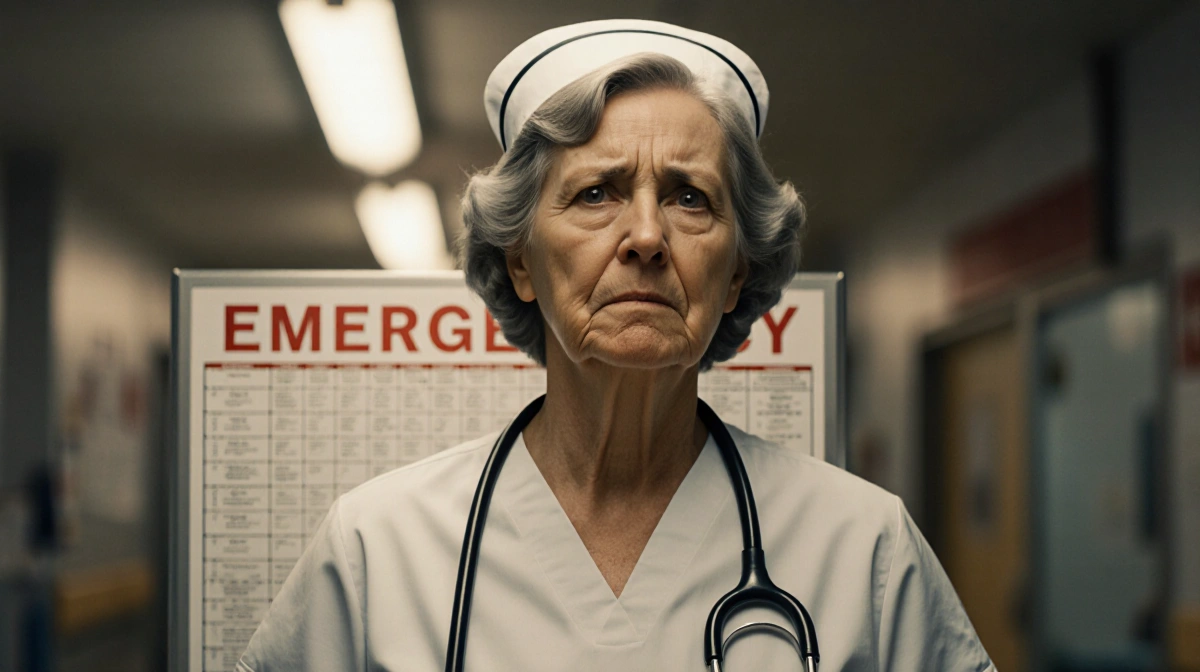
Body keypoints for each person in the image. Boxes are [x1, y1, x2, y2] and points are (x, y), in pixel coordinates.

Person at [237, 19, 995, 671]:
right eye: (596, 193)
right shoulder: (377, 550)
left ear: (736, 272)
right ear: (521, 260)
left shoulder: (864, 550)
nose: (644, 237)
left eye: (688, 197)